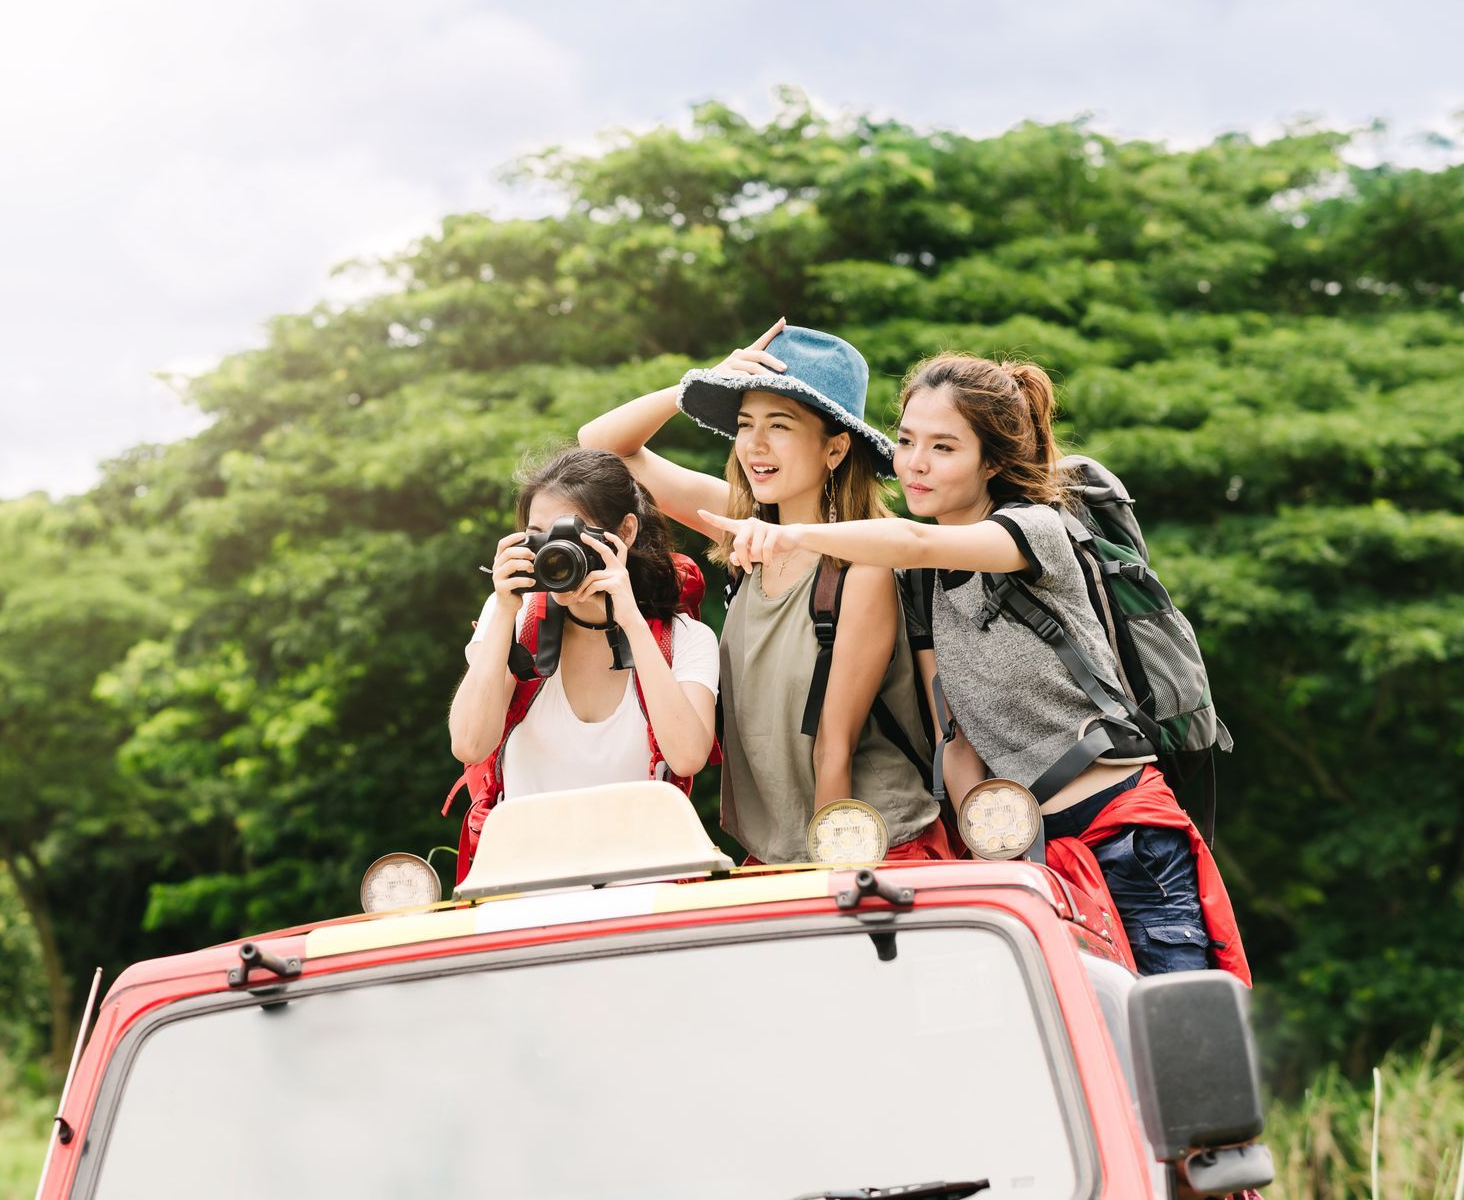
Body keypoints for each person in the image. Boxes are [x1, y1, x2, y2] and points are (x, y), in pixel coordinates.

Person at [698, 353, 1249, 981]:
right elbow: (952, 736)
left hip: (1118, 832)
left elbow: (912, 539)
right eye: (905, 442)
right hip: (1019, 849)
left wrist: (795, 535)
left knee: (1174, 1027)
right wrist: (994, 854)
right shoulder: (926, 582)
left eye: (943, 447)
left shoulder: (1037, 531)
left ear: (991, 462)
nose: (915, 464)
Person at [578, 322, 948, 865]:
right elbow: (602, 449)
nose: (755, 444)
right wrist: (697, 383)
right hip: (778, 856)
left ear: (836, 448)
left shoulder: (861, 566)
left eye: (780, 424)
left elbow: (833, 748)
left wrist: (830, 881)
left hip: (863, 847)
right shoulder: (739, 528)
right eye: (745, 423)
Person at [446, 449, 719, 874]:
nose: (556, 554)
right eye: (539, 536)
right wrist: (502, 608)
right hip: (522, 886)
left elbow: (686, 757)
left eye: (572, 536)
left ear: (625, 532)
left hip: (644, 888)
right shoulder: (515, 624)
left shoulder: (685, 641)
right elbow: (468, 743)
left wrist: (629, 617)